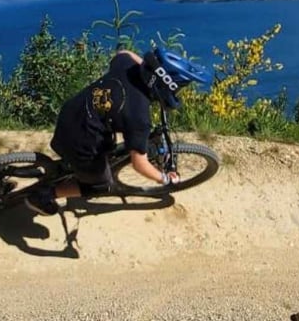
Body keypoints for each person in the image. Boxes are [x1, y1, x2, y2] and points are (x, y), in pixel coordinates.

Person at [27, 46, 210, 215]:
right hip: (79, 140)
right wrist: (164, 179)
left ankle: (73, 170)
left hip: (71, 112)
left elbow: (123, 52)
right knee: (101, 185)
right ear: (165, 86)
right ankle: (45, 195)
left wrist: (151, 68)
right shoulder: (139, 118)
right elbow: (140, 164)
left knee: (102, 135)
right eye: (177, 89)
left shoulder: (126, 66)